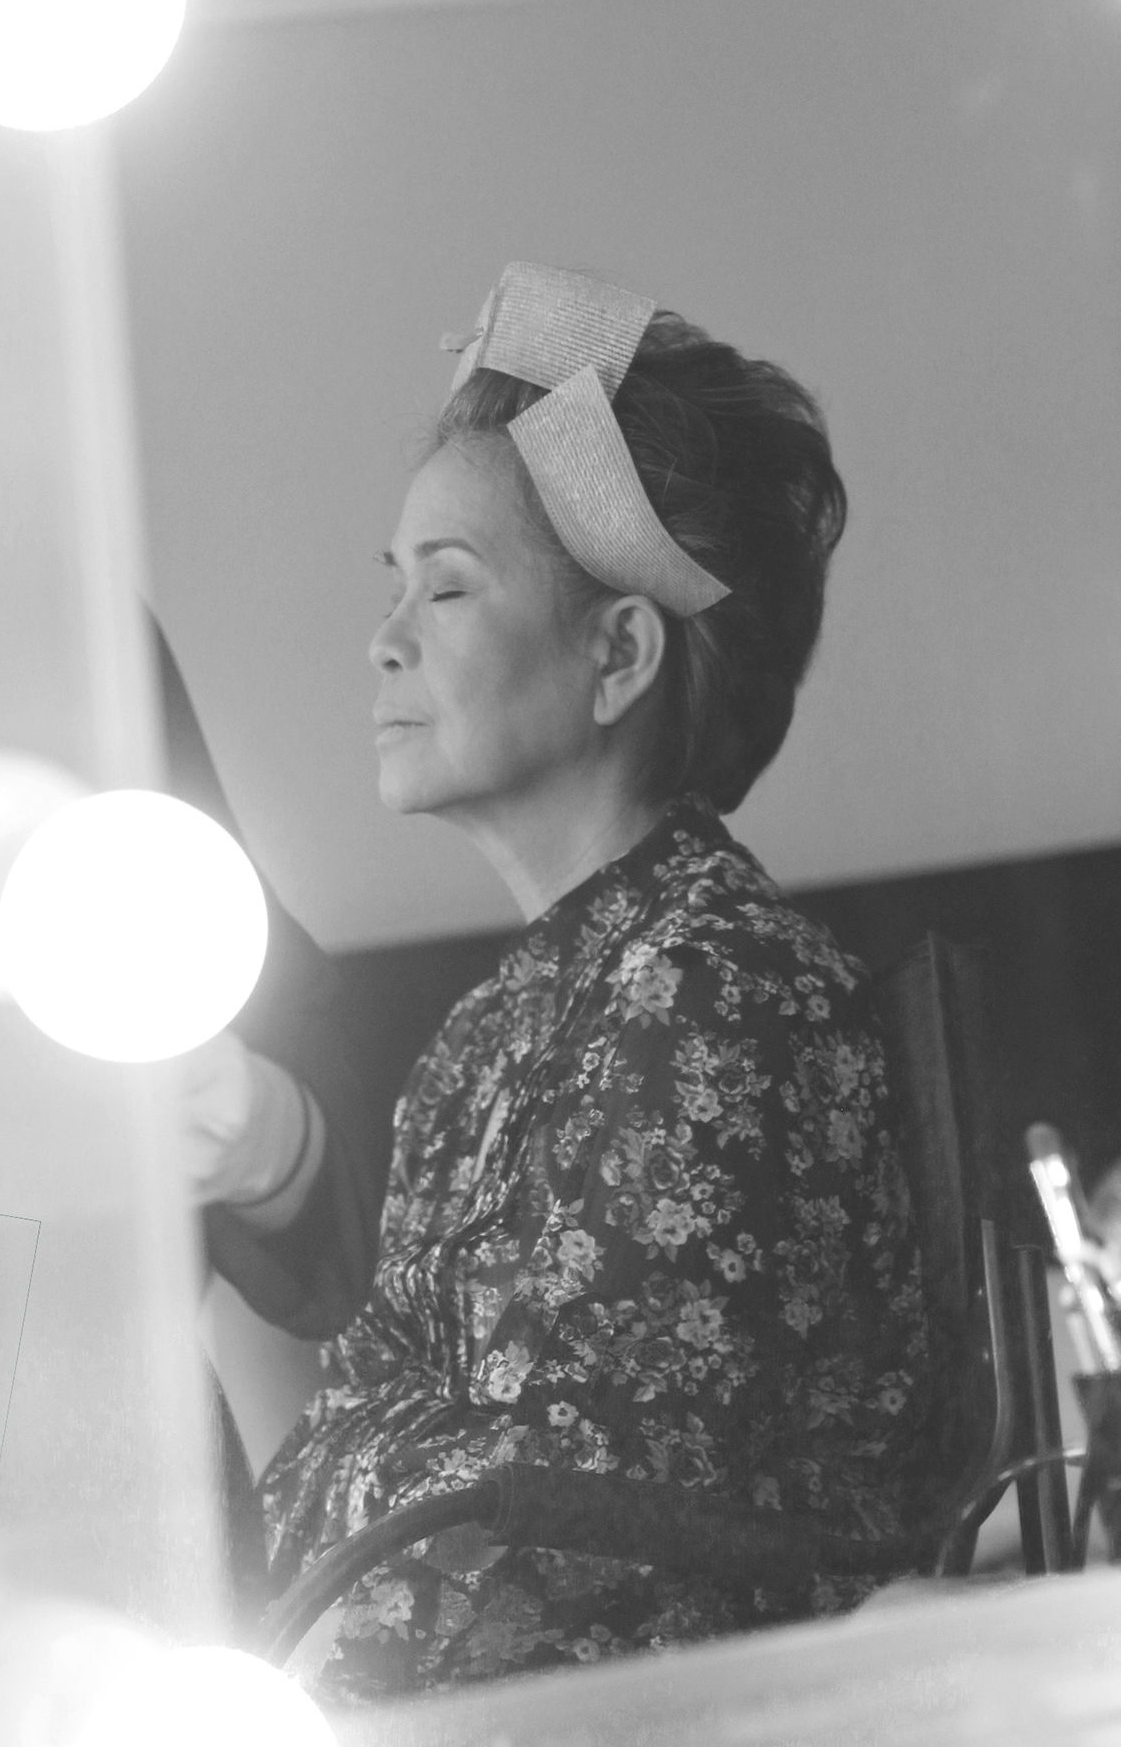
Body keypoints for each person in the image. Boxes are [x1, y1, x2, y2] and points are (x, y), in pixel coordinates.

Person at [255, 262, 931, 1702]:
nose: (384, 636)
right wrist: (385, 1455)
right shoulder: (488, 1033)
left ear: (618, 652)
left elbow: (557, 1528)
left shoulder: (721, 992)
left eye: (447, 585)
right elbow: (331, 1466)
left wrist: (381, 1456)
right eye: (393, 583)